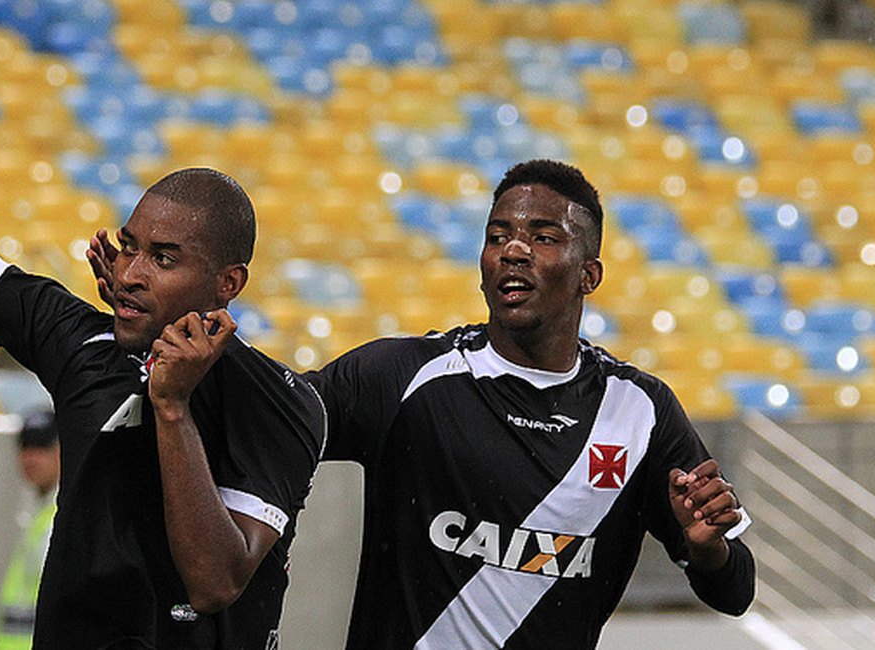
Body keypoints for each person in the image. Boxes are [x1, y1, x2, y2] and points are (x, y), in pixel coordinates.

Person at [95, 159, 755, 647]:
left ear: (589, 273)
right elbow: (274, 412)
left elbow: (733, 591)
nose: (514, 250)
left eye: (544, 236)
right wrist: (164, 310)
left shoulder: (640, 413)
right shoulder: (402, 377)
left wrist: (709, 550)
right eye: (498, 236)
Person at [0, 4, 327, 648]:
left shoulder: (278, 402)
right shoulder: (81, 341)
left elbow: (215, 581)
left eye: (164, 258)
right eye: (128, 247)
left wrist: (171, 408)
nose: (129, 273)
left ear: (227, 284)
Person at [0, 410, 60, 650]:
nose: (31, 458)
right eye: (25, 448)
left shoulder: (60, 518)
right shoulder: (40, 513)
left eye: (42, 448)